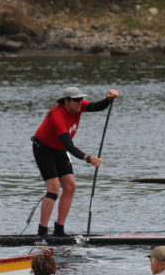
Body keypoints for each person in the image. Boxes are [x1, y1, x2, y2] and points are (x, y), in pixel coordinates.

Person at [31, 86, 119, 237]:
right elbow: (69, 145)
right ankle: (42, 233)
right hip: (43, 148)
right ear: (66, 101)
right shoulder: (57, 115)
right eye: (76, 100)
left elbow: (97, 106)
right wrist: (88, 158)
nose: (80, 102)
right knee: (53, 188)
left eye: (80, 99)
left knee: (70, 186)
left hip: (58, 149)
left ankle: (59, 230)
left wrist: (108, 99)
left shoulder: (79, 106)